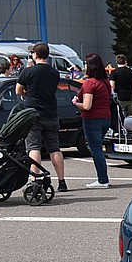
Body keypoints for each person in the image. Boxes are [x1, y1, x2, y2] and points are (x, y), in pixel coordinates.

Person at [16, 42, 66, 192]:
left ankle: (34, 179)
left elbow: (18, 90)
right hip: (51, 113)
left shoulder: (28, 71)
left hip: (33, 114)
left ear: (36, 55)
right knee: (54, 148)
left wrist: (26, 92)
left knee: (34, 147)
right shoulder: (54, 72)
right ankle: (62, 181)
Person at [74, 53, 113, 188]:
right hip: (106, 117)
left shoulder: (90, 83)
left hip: (92, 118)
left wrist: (76, 103)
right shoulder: (105, 82)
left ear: (90, 66)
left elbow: (87, 106)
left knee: (95, 149)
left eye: (85, 63)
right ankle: (103, 178)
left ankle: (102, 179)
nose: (84, 66)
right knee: (98, 147)